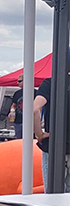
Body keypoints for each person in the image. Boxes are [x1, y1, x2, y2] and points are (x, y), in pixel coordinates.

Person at [32, 63, 70, 193]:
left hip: (54, 145)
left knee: (53, 196)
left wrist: (39, 134)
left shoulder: (50, 83)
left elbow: (35, 109)